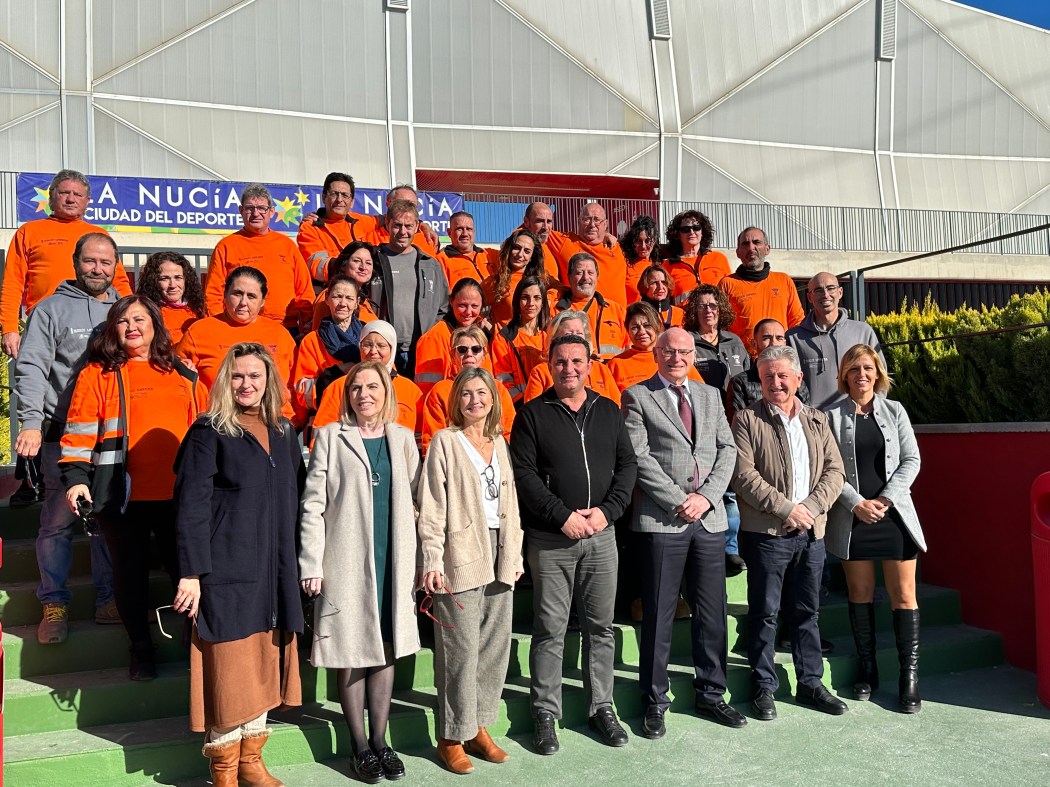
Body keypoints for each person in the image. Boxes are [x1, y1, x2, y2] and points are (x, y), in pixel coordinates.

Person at [173, 343, 305, 786]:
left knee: (265, 666)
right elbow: (191, 507)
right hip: (226, 572)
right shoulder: (208, 431)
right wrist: (191, 573)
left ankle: (251, 761)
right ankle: (225, 770)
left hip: (275, 573)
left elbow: (299, 499)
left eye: (255, 376)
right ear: (225, 381)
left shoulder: (284, 432)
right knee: (230, 673)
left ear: (269, 382)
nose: (247, 384)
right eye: (238, 376)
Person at [59, 296, 208, 680]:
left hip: (180, 498)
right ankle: (140, 649)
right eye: (123, 321)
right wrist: (76, 480)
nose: (132, 327)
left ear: (156, 325)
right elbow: (78, 433)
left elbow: (205, 432)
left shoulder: (183, 374)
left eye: (140, 319)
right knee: (130, 578)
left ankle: (197, 644)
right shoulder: (97, 375)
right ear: (113, 329)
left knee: (188, 573)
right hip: (121, 499)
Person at [510, 334, 638, 754]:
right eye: (561, 362)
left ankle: (601, 707)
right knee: (550, 629)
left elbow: (627, 466)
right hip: (552, 539)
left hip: (601, 536)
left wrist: (606, 513)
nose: (569, 368)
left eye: (576, 361)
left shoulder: (608, 410)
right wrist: (561, 516)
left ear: (589, 365)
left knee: (600, 627)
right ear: (550, 366)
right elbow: (524, 475)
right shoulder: (531, 415)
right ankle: (545, 712)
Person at [299, 360, 422, 783]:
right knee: (351, 651)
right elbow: (313, 505)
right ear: (347, 395)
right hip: (346, 560)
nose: (364, 395)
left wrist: (422, 559)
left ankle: (381, 741)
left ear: (387, 392)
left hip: (393, 558)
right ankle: (359, 746)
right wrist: (311, 563)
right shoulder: (330, 437)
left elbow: (417, 500)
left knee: (385, 646)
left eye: (372, 387)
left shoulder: (402, 438)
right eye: (356, 388)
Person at [621, 327, 743, 738]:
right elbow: (639, 456)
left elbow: (727, 449)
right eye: (669, 351)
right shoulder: (638, 396)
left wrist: (706, 498)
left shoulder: (709, 395)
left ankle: (712, 694)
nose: (677, 358)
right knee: (659, 614)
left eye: (685, 351)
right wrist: (679, 500)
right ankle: (655, 700)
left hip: (708, 519)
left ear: (694, 355)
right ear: (656, 354)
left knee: (712, 613)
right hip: (662, 520)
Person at [14, 232, 122, 644]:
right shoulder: (50, 309)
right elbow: (32, 366)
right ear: (76, 263)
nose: (98, 269)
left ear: (116, 266)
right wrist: (30, 422)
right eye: (90, 261)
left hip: (111, 438)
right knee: (58, 523)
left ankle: (108, 600)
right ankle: (54, 604)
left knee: (106, 522)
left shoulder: (125, 310)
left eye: (106, 262)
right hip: (62, 436)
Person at [417, 367, 524, 774]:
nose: (474, 400)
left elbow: (511, 503)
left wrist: (514, 556)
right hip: (460, 552)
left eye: (482, 393)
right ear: (456, 401)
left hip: (501, 552)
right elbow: (432, 505)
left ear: (493, 399)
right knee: (459, 652)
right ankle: (450, 737)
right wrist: (432, 558)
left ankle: (478, 726)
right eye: (466, 394)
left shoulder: (500, 442)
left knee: (493, 649)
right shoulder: (445, 441)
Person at [732, 345, 847, 721]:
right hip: (766, 534)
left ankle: (811, 683)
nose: (775, 382)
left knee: (806, 612)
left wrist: (810, 509)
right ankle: (763, 686)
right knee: (765, 613)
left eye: (782, 375)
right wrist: (787, 509)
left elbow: (835, 471)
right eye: (768, 376)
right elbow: (744, 476)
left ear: (798, 378)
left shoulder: (817, 420)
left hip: (811, 534)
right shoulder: (747, 420)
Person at [826, 345, 925, 712]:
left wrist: (884, 500)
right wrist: (857, 503)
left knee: (904, 595)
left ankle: (908, 677)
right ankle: (868, 670)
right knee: (860, 593)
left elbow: (912, 459)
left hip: (894, 516)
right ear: (844, 376)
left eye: (868, 368)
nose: (861, 375)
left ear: (878, 373)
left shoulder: (895, 411)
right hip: (854, 519)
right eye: (854, 369)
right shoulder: (830, 417)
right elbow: (828, 468)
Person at [1, 169, 131, 358]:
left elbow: (119, 282)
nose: (71, 199)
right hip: (44, 324)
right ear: (51, 196)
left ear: (87, 201)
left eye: (78, 194)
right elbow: (13, 283)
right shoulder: (29, 231)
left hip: (96, 323)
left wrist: (131, 316)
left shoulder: (99, 235)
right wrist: (9, 328)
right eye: (64, 193)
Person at [176, 267, 298, 423]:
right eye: (237, 294)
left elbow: (296, 383)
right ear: (225, 295)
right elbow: (179, 383)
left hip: (272, 422)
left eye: (251, 296)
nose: (243, 302)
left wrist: (295, 421)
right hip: (218, 422)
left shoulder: (280, 334)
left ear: (262, 301)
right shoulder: (199, 331)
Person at [204, 184, 313, 336]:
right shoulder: (226, 246)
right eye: (250, 208)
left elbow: (304, 290)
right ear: (241, 210)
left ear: (271, 211)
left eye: (262, 208)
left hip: (285, 328)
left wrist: (309, 321)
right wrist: (220, 327)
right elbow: (213, 294)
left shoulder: (287, 245)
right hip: (240, 327)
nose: (256, 213)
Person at [312, 321, 424, 444]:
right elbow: (321, 436)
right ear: (360, 347)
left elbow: (418, 438)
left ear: (392, 349)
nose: (373, 351)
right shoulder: (339, 387)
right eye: (367, 345)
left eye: (381, 346)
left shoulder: (410, 390)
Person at [371, 199, 450, 374]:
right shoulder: (373, 260)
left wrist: (428, 334)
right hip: (383, 349)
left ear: (417, 227)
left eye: (408, 226)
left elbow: (443, 307)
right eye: (397, 225)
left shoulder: (430, 264)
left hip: (421, 349)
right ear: (387, 224)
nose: (403, 232)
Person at [787, 272, 886, 411]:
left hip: (855, 416)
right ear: (809, 297)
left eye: (831, 288)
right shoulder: (793, 338)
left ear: (840, 292)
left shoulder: (863, 331)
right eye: (818, 290)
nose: (825, 294)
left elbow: (880, 376)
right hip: (812, 419)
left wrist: (873, 412)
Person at [420, 326, 516, 454]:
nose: (469, 354)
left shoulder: (498, 388)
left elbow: (510, 432)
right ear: (452, 356)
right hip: (455, 459)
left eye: (476, 349)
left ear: (484, 355)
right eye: (462, 349)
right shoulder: (440, 391)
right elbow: (432, 441)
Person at [718, 227, 804, 354]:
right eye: (745, 244)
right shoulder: (727, 284)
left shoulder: (784, 280)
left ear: (767, 249)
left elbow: (796, 322)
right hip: (744, 358)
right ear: (738, 252)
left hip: (780, 356)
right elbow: (721, 326)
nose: (751, 248)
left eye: (756, 242)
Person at [292, 276, 364, 413]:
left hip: (366, 408)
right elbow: (303, 393)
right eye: (337, 297)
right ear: (327, 298)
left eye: (349, 298)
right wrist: (335, 372)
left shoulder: (368, 336)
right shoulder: (312, 340)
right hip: (330, 411)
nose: (343, 303)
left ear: (357, 302)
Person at [522, 310, 621, 405]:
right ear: (554, 338)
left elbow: (616, 406)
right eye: (568, 334)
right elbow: (532, 411)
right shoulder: (541, 372)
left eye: (579, 333)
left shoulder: (601, 370)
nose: (575, 338)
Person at [414, 278, 491, 396]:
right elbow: (428, 392)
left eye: (474, 306)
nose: (468, 312)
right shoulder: (434, 338)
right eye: (462, 305)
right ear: (451, 301)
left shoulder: (482, 334)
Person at [606, 302, 703, 392]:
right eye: (635, 327)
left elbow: (700, 392)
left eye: (647, 326)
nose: (641, 332)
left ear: (658, 326)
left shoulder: (675, 358)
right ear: (627, 331)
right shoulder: (615, 365)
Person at [545, 203, 629, 306]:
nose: (592, 224)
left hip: (617, 314)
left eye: (597, 220)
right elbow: (536, 229)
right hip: (580, 314)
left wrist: (606, 234)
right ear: (579, 222)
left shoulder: (618, 248)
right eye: (587, 219)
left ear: (605, 224)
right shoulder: (565, 242)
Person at [731, 319, 811, 421]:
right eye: (766, 338)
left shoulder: (794, 378)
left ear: (785, 343)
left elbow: (807, 417)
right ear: (754, 343)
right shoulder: (740, 383)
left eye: (779, 338)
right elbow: (737, 423)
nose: (773, 343)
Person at [552, 252, 627, 360]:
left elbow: (628, 348)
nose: (585, 277)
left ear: (597, 276)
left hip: (612, 369)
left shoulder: (617, 310)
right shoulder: (556, 310)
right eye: (579, 273)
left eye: (590, 272)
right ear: (569, 277)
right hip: (573, 369)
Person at [296, 172, 364, 283]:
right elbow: (316, 266)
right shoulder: (310, 227)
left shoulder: (360, 222)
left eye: (345, 195)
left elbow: (389, 219)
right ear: (324, 197)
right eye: (334, 194)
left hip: (360, 289)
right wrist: (347, 267)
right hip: (329, 289)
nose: (339, 199)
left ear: (352, 202)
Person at [491, 275, 550, 403]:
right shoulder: (504, 338)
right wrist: (525, 406)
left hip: (547, 405)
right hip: (519, 406)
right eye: (525, 298)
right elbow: (503, 382)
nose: (531, 303)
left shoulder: (548, 337)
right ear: (517, 301)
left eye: (537, 298)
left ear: (543, 303)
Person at [684, 284, 750, 398]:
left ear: (720, 309)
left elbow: (747, 378)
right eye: (702, 306)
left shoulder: (734, 341)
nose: (708, 310)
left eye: (713, 305)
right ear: (694, 311)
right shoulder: (687, 342)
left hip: (736, 406)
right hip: (704, 404)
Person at [482, 229, 550, 327]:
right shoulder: (495, 282)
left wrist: (549, 298)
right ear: (509, 249)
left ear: (532, 256)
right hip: (503, 336)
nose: (520, 254)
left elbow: (562, 289)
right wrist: (484, 323)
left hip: (534, 336)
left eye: (527, 251)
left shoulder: (541, 278)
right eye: (516, 248)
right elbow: (471, 305)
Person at [136, 251, 207, 345]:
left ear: (186, 280)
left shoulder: (200, 311)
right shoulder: (147, 313)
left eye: (178, 278)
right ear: (153, 281)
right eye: (164, 278)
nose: (172, 285)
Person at [661, 210, 731, 301]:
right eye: (685, 229)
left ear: (702, 232)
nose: (691, 232)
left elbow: (730, 292)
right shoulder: (668, 266)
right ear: (677, 234)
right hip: (684, 311)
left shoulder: (718, 258)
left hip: (716, 310)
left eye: (696, 228)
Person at [311, 240, 381, 330]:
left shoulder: (364, 300)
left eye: (368, 263)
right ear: (344, 265)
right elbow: (322, 335)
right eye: (357, 261)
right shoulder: (331, 297)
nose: (363, 267)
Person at [437, 211, 499, 289]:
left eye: (469, 229)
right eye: (459, 229)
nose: (465, 234)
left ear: (474, 232)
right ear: (449, 232)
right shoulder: (441, 261)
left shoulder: (489, 254)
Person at [618, 215, 661, 305]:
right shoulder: (624, 262)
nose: (643, 246)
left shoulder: (660, 265)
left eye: (648, 241)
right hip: (630, 312)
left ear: (655, 240)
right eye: (638, 241)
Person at [519, 202, 565, 282]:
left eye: (549, 221)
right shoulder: (519, 248)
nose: (546, 227)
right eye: (540, 221)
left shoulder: (552, 245)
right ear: (526, 222)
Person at [638, 265, 684, 329]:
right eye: (654, 283)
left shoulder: (681, 314)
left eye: (664, 282)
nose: (660, 287)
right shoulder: (637, 314)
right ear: (645, 286)